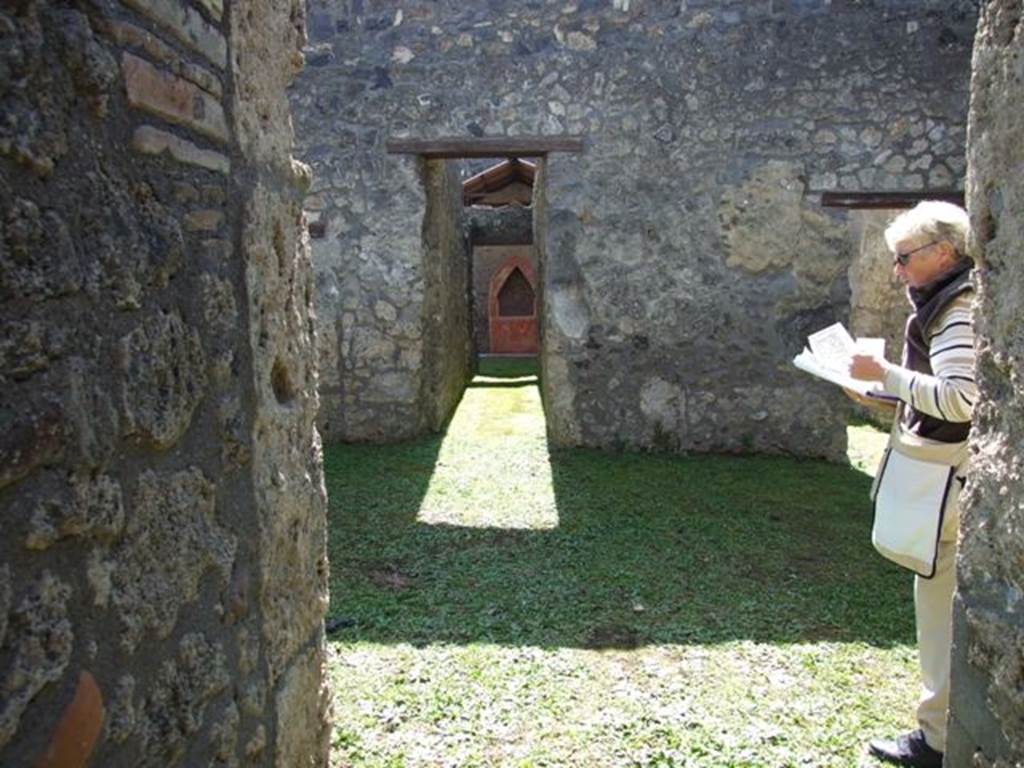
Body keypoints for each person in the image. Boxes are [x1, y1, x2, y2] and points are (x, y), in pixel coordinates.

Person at [846, 200, 976, 768]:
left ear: (942, 252)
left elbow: (961, 399)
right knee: (936, 602)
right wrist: (883, 394)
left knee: (940, 607)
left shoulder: (959, 310)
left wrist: (888, 377)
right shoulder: (945, 302)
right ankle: (939, 730)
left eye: (904, 259)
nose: (897, 272)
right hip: (943, 476)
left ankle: (939, 739)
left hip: (949, 480)